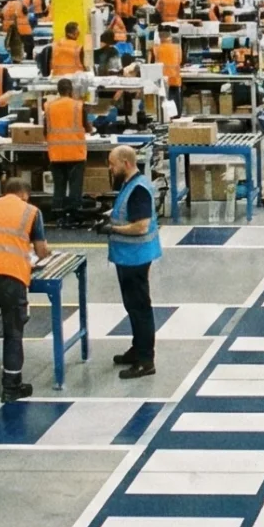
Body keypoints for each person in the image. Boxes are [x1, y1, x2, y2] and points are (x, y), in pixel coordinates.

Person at [0, 177, 49, 403]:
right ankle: (11, 388)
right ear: (25, 194)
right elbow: (41, 251)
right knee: (13, 331)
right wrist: (46, 253)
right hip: (13, 276)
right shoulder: (31, 211)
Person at [104, 145, 161, 380]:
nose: (110, 168)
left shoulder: (138, 189)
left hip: (135, 257)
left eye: (112, 164)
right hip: (128, 256)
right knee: (133, 307)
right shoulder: (130, 184)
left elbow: (141, 226)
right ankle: (138, 349)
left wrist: (112, 229)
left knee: (139, 309)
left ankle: (145, 361)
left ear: (125, 163)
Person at [43, 78, 89, 222]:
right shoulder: (78, 105)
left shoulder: (49, 106)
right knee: (75, 186)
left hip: (56, 152)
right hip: (76, 153)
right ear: (71, 90)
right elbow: (87, 127)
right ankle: (74, 215)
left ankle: (58, 214)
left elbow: (45, 130)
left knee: (59, 186)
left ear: (58, 90)